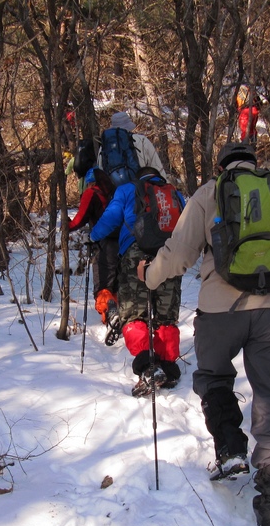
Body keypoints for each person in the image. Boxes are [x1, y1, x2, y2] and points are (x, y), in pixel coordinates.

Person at [136, 142, 270, 526]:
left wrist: (148, 275)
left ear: (221, 165)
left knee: (212, 376)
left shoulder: (209, 194)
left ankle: (229, 449)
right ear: (255, 164)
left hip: (220, 312)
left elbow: (177, 255)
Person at [90, 166, 184, 397]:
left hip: (135, 254)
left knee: (134, 313)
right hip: (170, 254)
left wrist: (92, 237)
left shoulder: (126, 190)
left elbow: (110, 218)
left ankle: (147, 368)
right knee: (166, 315)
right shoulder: (174, 193)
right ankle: (169, 367)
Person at [67, 167, 120, 331]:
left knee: (103, 285)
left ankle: (110, 315)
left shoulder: (92, 193)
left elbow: (79, 219)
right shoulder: (113, 193)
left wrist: (65, 226)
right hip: (121, 243)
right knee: (115, 283)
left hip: (103, 244)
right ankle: (117, 317)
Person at [102, 111, 166, 177]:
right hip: (140, 185)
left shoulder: (105, 145)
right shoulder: (142, 140)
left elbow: (101, 169)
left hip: (115, 186)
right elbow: (157, 167)